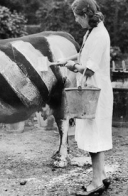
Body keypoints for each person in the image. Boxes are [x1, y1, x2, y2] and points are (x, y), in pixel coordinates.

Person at [58, 0, 113, 195]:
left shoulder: (99, 35)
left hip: (95, 93)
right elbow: (83, 55)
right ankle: (103, 175)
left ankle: (96, 182)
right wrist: (67, 60)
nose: (75, 19)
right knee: (94, 134)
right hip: (92, 91)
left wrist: (71, 67)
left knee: (94, 137)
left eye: (76, 15)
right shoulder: (92, 32)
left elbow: (89, 69)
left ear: (84, 15)